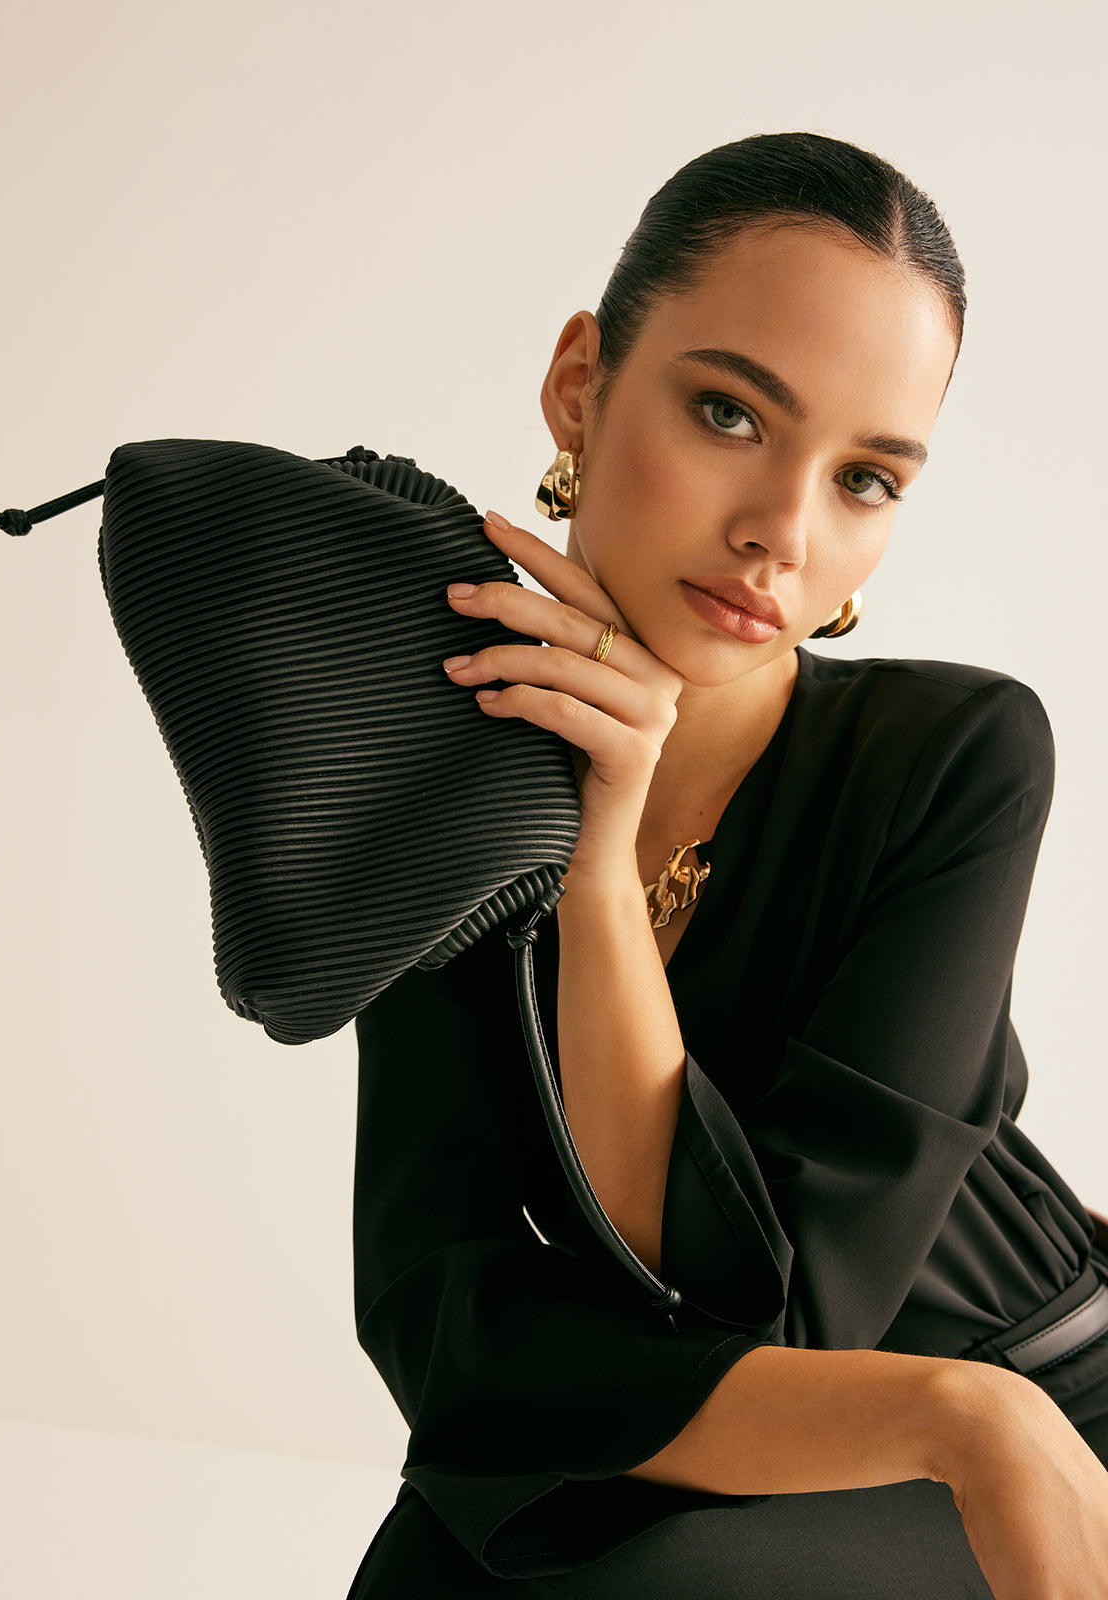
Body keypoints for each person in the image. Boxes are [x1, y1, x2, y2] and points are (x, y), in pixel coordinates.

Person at [344, 132, 1108, 1598]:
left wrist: (982, 1415)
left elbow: (787, 1314)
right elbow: (450, 1332)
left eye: (866, 479)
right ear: (581, 383)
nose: (782, 535)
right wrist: (595, 847)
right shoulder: (450, 787)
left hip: (1046, 1406)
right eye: (728, 413)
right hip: (902, 1421)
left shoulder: (955, 758)